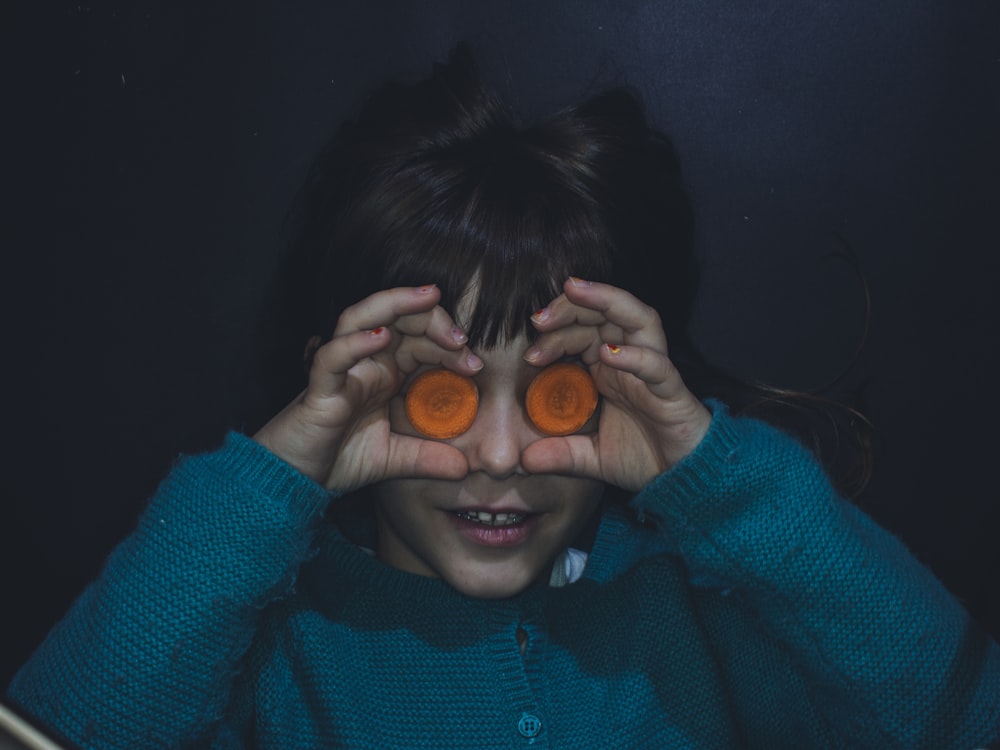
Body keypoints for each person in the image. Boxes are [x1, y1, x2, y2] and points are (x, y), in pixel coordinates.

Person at [7, 45, 999, 749]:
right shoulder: (265, 653)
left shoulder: (690, 619)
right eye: (440, 392)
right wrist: (269, 482)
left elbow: (961, 719)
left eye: (556, 394)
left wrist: (718, 481)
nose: (496, 455)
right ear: (346, 394)